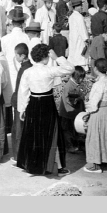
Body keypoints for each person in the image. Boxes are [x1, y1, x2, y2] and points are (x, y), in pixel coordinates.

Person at [17, 44, 74, 176]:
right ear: (45, 57)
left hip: (33, 103)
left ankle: (31, 166)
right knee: (53, 134)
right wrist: (57, 57)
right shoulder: (49, 70)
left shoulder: (28, 72)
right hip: (47, 103)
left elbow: (23, 92)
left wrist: (22, 110)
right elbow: (70, 69)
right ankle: (60, 168)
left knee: (33, 135)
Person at [10, 43, 31, 162]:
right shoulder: (28, 67)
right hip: (22, 101)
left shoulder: (24, 69)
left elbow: (21, 90)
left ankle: (19, 156)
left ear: (22, 56)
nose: (15, 58)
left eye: (16, 55)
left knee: (18, 131)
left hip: (21, 103)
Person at [1, 7, 30, 91]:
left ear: (12, 23)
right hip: (24, 70)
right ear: (23, 23)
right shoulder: (27, 38)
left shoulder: (5, 39)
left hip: (9, 72)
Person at [58, 66, 85, 153]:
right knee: (68, 131)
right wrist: (78, 99)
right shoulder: (69, 86)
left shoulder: (75, 85)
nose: (82, 80)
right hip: (68, 113)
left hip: (73, 113)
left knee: (74, 130)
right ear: (76, 77)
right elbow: (68, 100)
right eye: (80, 78)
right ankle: (69, 147)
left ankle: (75, 145)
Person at [67, 0, 89, 68]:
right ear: (76, 7)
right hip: (79, 38)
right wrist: (86, 39)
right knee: (80, 55)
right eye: (80, 6)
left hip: (73, 38)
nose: (81, 7)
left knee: (74, 53)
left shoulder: (71, 16)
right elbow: (82, 30)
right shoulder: (79, 17)